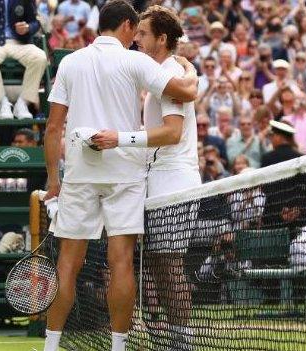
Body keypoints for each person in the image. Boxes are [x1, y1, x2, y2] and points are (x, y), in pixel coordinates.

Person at [42, 1, 198, 350]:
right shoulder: (136, 61)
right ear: (127, 25)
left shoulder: (69, 61)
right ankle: (118, 346)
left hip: (80, 173)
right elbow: (187, 92)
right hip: (125, 173)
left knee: (68, 263)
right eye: (137, 31)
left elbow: (53, 129)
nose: (138, 38)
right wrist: (190, 69)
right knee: (121, 260)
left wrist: (54, 180)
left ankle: (51, 346)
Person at [91, 5, 199, 348]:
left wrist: (120, 139)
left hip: (175, 180)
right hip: (158, 177)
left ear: (161, 39)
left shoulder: (170, 76)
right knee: (157, 263)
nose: (135, 39)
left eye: (142, 34)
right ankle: (170, 336)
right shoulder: (165, 75)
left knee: (169, 264)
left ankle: (183, 340)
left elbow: (172, 134)